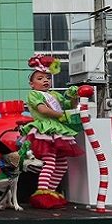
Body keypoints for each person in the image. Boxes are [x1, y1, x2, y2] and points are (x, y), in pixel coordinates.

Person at [21, 55, 83, 209]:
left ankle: (51, 192)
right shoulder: (34, 94)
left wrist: (74, 96)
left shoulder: (54, 95)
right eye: (40, 78)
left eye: (48, 78)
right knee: (49, 161)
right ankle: (42, 192)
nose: (45, 80)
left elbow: (70, 105)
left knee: (62, 164)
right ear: (32, 84)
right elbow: (42, 109)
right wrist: (60, 115)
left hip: (59, 131)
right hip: (45, 130)